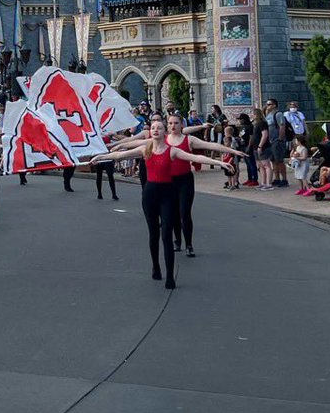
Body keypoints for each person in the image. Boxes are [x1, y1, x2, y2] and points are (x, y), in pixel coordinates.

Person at [94, 118, 234, 289]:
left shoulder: (172, 151)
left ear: (163, 132)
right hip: (150, 194)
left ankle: (170, 275)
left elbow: (195, 156)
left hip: (167, 195)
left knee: (166, 234)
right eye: (153, 128)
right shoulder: (145, 149)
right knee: (153, 234)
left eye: (159, 128)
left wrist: (220, 162)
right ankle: (156, 266)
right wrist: (101, 157)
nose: (155, 130)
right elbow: (119, 155)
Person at [265, 98, 289, 187]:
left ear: (274, 105)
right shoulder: (268, 115)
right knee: (273, 161)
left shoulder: (278, 114)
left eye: (269, 104)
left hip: (277, 140)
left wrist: (280, 138)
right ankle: (277, 178)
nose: (267, 106)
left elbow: (282, 126)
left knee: (279, 161)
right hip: (270, 141)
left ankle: (284, 179)